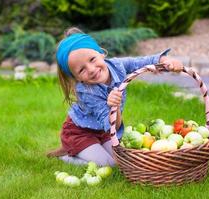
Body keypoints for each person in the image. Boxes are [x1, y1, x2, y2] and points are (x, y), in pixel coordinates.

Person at [46, 27, 183, 166]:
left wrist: (164, 60)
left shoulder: (117, 65)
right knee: (110, 165)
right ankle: (67, 157)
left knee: (124, 160)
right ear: (76, 78)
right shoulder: (87, 92)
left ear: (101, 53)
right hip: (80, 133)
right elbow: (114, 126)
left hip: (103, 131)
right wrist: (114, 106)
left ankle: (81, 150)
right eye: (82, 70)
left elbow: (140, 62)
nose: (92, 69)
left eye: (92, 59)